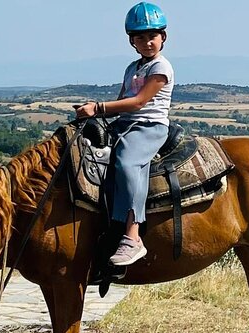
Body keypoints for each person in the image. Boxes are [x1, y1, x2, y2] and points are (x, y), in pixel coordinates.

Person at [75, 2, 174, 266]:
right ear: (132, 41)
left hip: (149, 127)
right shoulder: (132, 68)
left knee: (128, 162)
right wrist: (94, 115)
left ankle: (133, 236)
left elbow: (139, 102)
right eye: (140, 37)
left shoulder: (160, 68)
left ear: (163, 37)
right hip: (126, 124)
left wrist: (97, 107)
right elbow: (122, 101)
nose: (147, 42)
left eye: (152, 36)